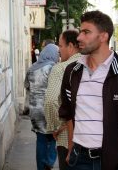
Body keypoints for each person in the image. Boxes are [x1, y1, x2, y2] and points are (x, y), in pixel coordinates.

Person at [59, 10, 118, 170]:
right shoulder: (72, 72)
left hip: (113, 161)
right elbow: (68, 114)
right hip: (78, 159)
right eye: (80, 31)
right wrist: (70, 149)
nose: (79, 37)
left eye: (86, 32)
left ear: (103, 36)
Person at [44, 30, 80, 170]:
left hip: (66, 138)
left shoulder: (60, 69)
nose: (58, 50)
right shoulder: (90, 65)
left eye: (60, 46)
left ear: (71, 46)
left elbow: (51, 100)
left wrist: (56, 127)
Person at [24, 43, 59, 170]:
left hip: (35, 110)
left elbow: (27, 86)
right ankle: (49, 160)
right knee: (55, 135)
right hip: (48, 108)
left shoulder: (32, 68)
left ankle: (41, 167)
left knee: (41, 138)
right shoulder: (52, 68)